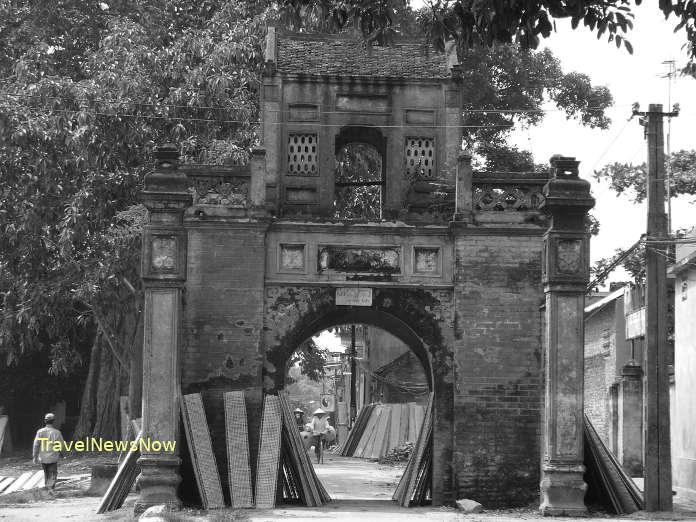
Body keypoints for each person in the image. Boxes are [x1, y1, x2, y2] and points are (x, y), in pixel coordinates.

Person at [32, 413, 65, 489]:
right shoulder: (57, 432)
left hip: (43, 457)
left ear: (45, 421)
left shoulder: (40, 432)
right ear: (53, 421)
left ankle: (48, 489)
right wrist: (64, 454)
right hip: (53, 457)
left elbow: (36, 445)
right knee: (52, 474)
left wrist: (35, 457)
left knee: (46, 474)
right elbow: (61, 445)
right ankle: (50, 489)